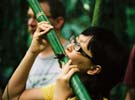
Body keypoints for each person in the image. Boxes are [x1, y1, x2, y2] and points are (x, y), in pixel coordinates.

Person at [2, 21, 129, 100]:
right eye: (74, 40)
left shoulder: (69, 92)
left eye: (78, 47)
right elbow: (11, 97)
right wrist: (32, 52)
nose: (69, 47)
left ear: (94, 69)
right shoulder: (69, 88)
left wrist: (60, 96)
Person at [26, 0, 68, 88]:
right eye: (29, 17)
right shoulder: (30, 55)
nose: (30, 23)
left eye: (37, 18)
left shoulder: (72, 54)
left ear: (58, 22)